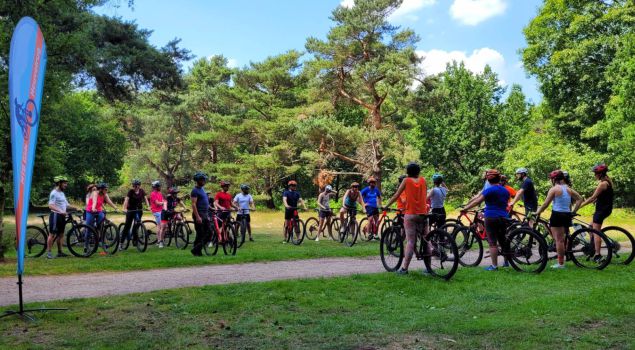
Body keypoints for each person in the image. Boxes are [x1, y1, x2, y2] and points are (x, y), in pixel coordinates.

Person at [383, 162, 427, 275]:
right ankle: (429, 268)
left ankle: (404, 269)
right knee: (426, 239)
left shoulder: (406, 180)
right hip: (423, 213)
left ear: (407, 172)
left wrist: (386, 206)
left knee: (411, 241)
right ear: (418, 171)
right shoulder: (423, 180)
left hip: (411, 214)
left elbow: (396, 195)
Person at [462, 169, 510, 271]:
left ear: (488, 180)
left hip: (491, 217)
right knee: (503, 240)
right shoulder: (505, 190)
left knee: (492, 242)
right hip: (504, 216)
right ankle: (507, 262)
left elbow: (477, 201)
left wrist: (466, 208)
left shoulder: (489, 190)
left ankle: (494, 266)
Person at [535, 170, 583, 269]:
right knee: (562, 238)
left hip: (557, 214)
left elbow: (545, 204)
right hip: (566, 214)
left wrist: (537, 212)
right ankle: (565, 257)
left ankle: (561, 264)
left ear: (554, 179)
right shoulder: (568, 189)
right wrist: (573, 211)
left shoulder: (554, 189)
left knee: (559, 240)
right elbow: (580, 198)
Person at [576, 164, 614, 263]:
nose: (594, 175)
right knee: (590, 227)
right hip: (604, 209)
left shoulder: (602, 184)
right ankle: (593, 249)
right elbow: (602, 196)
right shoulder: (606, 181)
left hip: (601, 211)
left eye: (596, 173)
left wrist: (579, 206)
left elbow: (592, 197)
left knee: (597, 232)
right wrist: (597, 199)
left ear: (601, 174)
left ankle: (598, 255)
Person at [46, 176, 76, 259]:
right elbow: (50, 205)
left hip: (62, 216)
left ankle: (60, 252)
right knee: (52, 234)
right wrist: (60, 211)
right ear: (59, 183)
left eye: (66, 183)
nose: (66, 185)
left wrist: (76, 208)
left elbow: (67, 205)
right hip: (55, 215)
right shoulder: (54, 193)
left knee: (61, 235)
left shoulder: (62, 193)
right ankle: (48, 253)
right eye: (64, 183)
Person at [120, 179, 151, 250]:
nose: (135, 187)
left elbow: (146, 199)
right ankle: (121, 243)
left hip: (139, 210)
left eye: (136, 185)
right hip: (131, 210)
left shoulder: (142, 191)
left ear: (139, 186)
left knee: (136, 225)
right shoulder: (130, 191)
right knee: (127, 226)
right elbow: (126, 200)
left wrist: (148, 206)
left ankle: (135, 240)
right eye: (134, 185)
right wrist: (124, 208)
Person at [190, 172, 211, 256]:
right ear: (197, 180)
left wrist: (211, 208)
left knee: (209, 233)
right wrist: (198, 217)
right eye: (201, 180)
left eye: (204, 180)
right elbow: (193, 204)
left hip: (205, 213)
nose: (203, 181)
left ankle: (196, 249)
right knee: (201, 234)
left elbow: (204, 202)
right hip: (199, 214)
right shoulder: (194, 191)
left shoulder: (202, 189)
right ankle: (197, 251)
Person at [150, 181, 166, 248]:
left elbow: (162, 201)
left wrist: (164, 203)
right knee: (159, 226)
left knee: (164, 226)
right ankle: (159, 241)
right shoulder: (153, 194)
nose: (160, 187)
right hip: (156, 211)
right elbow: (157, 203)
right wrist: (164, 203)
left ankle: (161, 240)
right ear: (155, 187)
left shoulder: (159, 193)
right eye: (159, 186)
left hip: (161, 210)